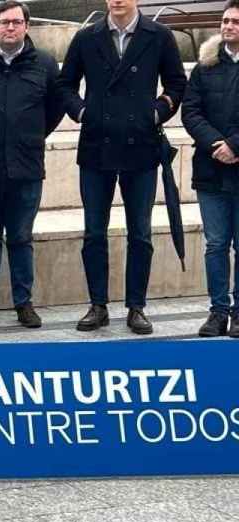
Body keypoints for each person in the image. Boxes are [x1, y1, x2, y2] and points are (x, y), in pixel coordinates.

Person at [58, 0, 187, 334]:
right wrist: (83, 112)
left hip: (140, 146)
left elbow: (176, 83)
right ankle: (97, 305)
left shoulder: (158, 36)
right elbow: (64, 85)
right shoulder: (87, 37)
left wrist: (157, 112)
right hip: (96, 146)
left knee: (141, 233)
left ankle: (136, 307)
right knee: (94, 232)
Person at [0, 0, 64, 328]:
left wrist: (29, 135)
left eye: (17, 22)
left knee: (21, 237)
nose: (10, 27)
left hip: (26, 167)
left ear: (26, 27)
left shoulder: (45, 64)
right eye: (4, 22)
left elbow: (55, 109)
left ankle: (24, 302)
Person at [181, 0, 239, 338]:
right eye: (225, 20)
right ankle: (217, 311)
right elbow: (191, 111)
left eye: (235, 21)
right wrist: (217, 144)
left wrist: (235, 145)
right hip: (211, 168)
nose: (229, 26)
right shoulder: (205, 66)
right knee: (215, 244)